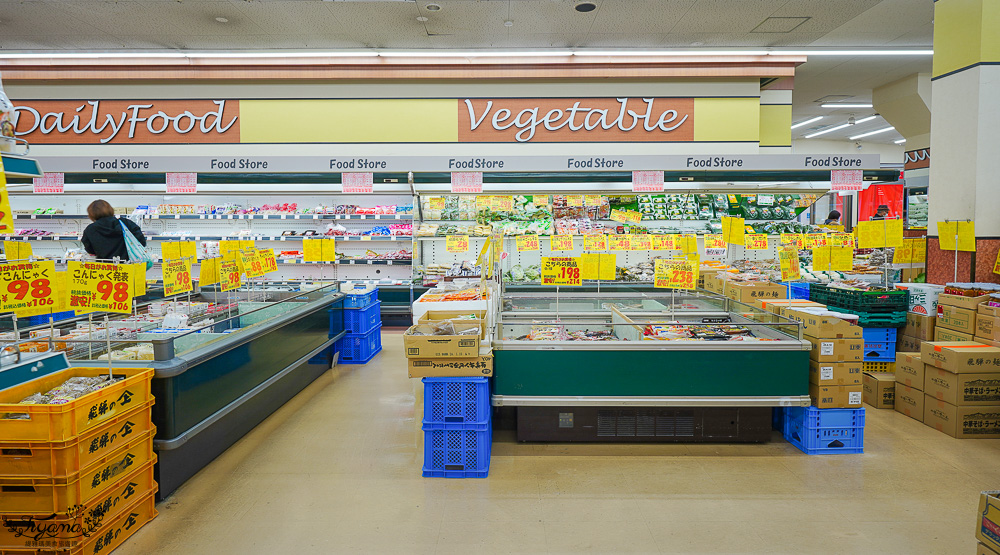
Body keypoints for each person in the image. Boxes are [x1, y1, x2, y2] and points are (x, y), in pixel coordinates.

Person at [81, 200, 146, 261]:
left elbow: (90, 250)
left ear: (91, 214)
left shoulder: (90, 230)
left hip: (104, 266)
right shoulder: (126, 224)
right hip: (128, 265)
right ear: (110, 210)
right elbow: (142, 242)